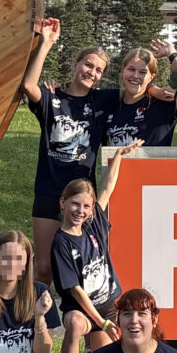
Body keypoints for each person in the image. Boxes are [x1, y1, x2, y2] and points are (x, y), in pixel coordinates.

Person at [20, 17, 109, 278]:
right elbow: (28, 85)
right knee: (45, 267)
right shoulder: (52, 98)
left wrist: (156, 90)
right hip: (48, 191)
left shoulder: (102, 102)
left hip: (82, 197)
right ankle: (36, 306)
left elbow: (134, 91)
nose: (91, 72)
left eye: (98, 70)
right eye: (88, 65)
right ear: (76, 65)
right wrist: (46, 43)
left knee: (82, 265)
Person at [51, 143, 134, 353]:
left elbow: (107, 188)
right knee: (76, 324)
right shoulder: (61, 242)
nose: (81, 211)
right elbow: (75, 290)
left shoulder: (93, 224)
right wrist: (100, 322)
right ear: (63, 203)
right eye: (75, 204)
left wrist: (118, 156)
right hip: (83, 311)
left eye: (86, 206)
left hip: (108, 306)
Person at [96, 42, 177, 153]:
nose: (135, 76)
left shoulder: (162, 102)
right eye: (131, 69)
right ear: (123, 70)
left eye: (143, 72)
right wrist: (151, 88)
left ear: (151, 77)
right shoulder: (109, 102)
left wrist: (173, 55)